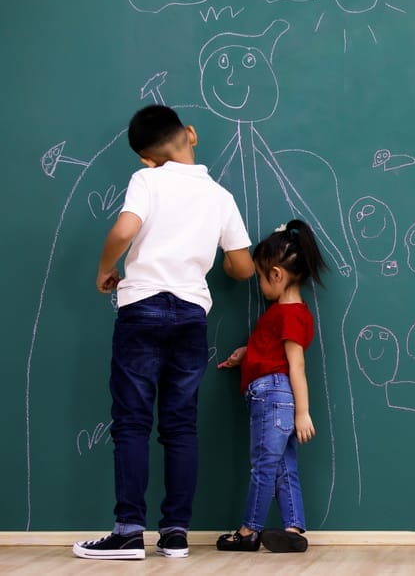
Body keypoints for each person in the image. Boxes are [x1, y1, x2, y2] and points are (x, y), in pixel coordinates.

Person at [74, 105, 255, 560]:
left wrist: (104, 268)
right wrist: (223, 263)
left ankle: (129, 532)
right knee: (179, 426)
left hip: (142, 309)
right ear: (190, 134)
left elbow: (125, 228)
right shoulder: (220, 196)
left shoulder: (147, 182)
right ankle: (175, 534)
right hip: (192, 314)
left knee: (133, 422)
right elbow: (243, 267)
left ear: (146, 159)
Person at [216, 219, 328, 553]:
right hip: (276, 395)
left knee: (263, 464)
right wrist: (246, 354)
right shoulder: (289, 312)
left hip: (272, 397)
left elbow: (296, 364)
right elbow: (275, 350)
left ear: (277, 275)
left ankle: (249, 530)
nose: (261, 285)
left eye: (263, 278)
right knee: (282, 465)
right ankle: (293, 529)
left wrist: (303, 413)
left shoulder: (288, 313)